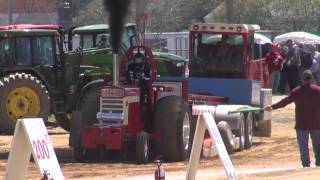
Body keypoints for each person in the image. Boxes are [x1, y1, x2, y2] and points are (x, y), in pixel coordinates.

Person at [264, 69, 320, 167]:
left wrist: (272, 107)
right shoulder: (317, 91)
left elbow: (285, 101)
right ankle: (319, 164)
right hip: (316, 124)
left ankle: (306, 165)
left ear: (302, 79)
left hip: (301, 124)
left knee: (303, 147)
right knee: (317, 146)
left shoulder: (297, 91)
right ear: (312, 79)